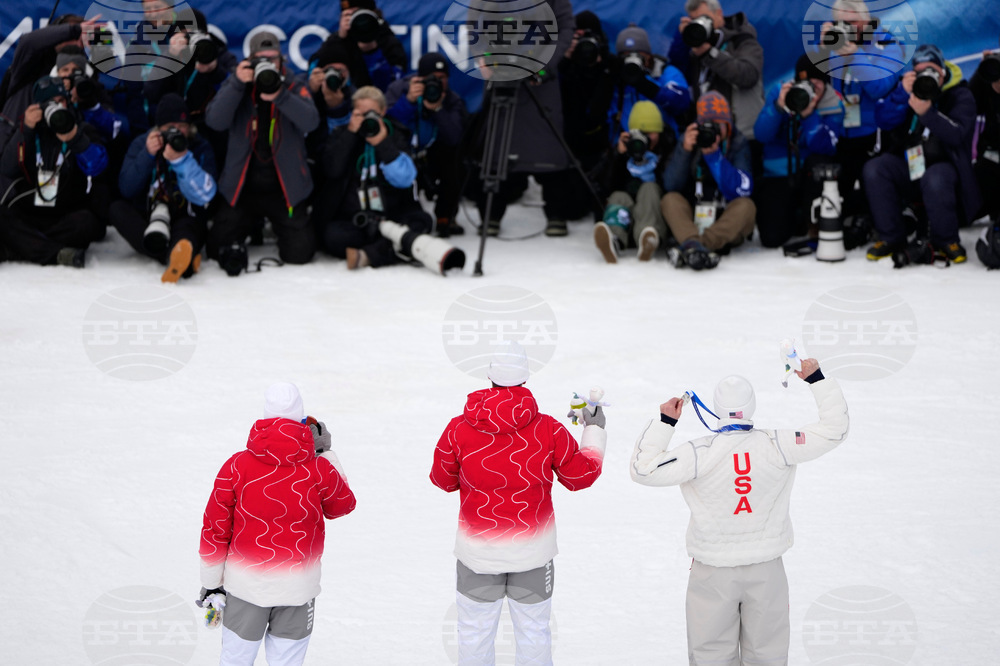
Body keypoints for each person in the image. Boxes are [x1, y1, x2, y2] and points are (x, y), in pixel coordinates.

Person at [630, 357, 849, 666]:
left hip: (713, 572)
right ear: (752, 407)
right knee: (768, 656)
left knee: (710, 656)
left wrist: (665, 422)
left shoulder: (699, 452)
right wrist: (817, 379)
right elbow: (834, 430)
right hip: (767, 570)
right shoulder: (779, 444)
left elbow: (643, 470)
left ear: (717, 409)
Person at [430, 341, 606, 665]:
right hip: (533, 555)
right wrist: (593, 429)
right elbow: (581, 477)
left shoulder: (458, 429)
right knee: (534, 633)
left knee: (473, 634)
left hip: (477, 554)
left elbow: (442, 480)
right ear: (526, 377)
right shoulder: (548, 429)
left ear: (490, 376)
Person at [199, 383, 356, 666]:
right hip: (298, 590)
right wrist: (326, 455)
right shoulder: (319, 468)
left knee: (235, 661)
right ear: (301, 420)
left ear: (265, 419)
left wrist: (211, 584)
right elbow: (342, 505)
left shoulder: (236, 466)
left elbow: (214, 529)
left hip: (246, 587)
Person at [205, 31, 320, 275]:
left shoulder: (292, 84)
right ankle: (251, 224)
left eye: (273, 59)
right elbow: (215, 121)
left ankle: (270, 225)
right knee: (216, 249)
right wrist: (237, 84)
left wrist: (281, 96)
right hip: (242, 187)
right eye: (261, 59)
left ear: (282, 61)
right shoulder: (238, 85)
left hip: (284, 189)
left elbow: (311, 122)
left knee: (300, 254)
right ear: (250, 61)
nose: (268, 64)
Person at [864, 44, 980, 266]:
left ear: (943, 72)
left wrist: (927, 113)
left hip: (946, 170)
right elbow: (883, 121)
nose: (926, 77)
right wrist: (900, 95)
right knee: (875, 169)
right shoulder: (907, 91)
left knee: (936, 176)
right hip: (910, 163)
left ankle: (946, 240)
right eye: (920, 72)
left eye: (932, 71)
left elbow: (957, 134)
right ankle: (891, 237)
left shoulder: (960, 94)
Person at [318, 85, 438, 270]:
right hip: (354, 218)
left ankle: (368, 255)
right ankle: (395, 247)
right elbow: (332, 170)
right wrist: (351, 133)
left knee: (422, 222)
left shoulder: (396, 133)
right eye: (361, 113)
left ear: (383, 111)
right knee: (332, 236)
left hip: (393, 214)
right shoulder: (342, 133)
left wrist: (383, 143)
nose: (368, 119)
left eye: (372, 113)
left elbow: (405, 178)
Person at [0, 76, 108, 268]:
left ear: (67, 102)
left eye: (60, 102)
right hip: (28, 213)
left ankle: (23, 247)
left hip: (64, 214)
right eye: (49, 104)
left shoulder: (81, 129)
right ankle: (56, 254)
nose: (56, 108)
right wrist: (25, 130)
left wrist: (74, 139)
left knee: (87, 223)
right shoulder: (27, 130)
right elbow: (7, 168)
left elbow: (98, 166)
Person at [111, 94, 217, 282]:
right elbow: (126, 188)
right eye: (170, 128)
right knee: (117, 209)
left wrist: (182, 161)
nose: (177, 132)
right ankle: (180, 257)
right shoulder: (143, 143)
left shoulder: (200, 146)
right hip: (150, 213)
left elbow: (206, 195)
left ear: (189, 127)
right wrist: (148, 155)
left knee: (189, 227)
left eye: (182, 127)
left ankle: (179, 254)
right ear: (159, 128)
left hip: (186, 213)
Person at [819, 0, 904, 222]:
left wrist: (854, 55)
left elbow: (879, 87)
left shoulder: (888, 43)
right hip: (844, 134)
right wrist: (824, 49)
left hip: (876, 139)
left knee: (872, 196)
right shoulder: (839, 44)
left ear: (866, 20)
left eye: (851, 22)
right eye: (841, 22)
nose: (846, 27)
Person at [752, 55, 844, 249]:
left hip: (811, 176)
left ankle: (812, 223)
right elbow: (761, 135)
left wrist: (809, 116)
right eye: (807, 82)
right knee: (772, 238)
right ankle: (793, 217)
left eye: (818, 82)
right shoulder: (781, 92)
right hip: (778, 175)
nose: (812, 88)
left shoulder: (833, 103)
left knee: (820, 161)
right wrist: (778, 108)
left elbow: (827, 147)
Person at [661, 91, 754, 270]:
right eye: (709, 125)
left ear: (729, 125)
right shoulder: (690, 140)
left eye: (720, 126)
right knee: (670, 199)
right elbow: (671, 185)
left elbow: (742, 189)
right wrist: (684, 150)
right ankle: (697, 246)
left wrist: (714, 157)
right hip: (692, 218)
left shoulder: (738, 142)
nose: (714, 132)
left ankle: (694, 246)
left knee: (746, 206)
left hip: (723, 222)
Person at [385, 52, 470, 238]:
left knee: (457, 159)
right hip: (405, 152)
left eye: (442, 78)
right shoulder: (400, 89)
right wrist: (408, 102)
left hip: (434, 155)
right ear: (418, 78)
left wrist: (438, 109)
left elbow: (455, 136)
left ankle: (445, 216)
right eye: (430, 78)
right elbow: (386, 125)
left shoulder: (451, 98)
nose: (437, 82)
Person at [668, 0, 764, 141]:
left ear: (719, 14)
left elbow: (748, 75)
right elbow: (678, 72)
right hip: (706, 132)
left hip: (741, 136)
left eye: (704, 19)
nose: (699, 24)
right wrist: (684, 39)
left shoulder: (742, 40)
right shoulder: (696, 47)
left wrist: (709, 54)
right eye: (694, 20)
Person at [594, 101, 674, 263]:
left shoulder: (668, 148)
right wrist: (617, 155)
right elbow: (603, 186)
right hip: (628, 215)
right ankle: (614, 240)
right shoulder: (625, 147)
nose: (646, 139)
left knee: (649, 188)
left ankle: (648, 238)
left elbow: (673, 185)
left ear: (659, 132)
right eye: (641, 133)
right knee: (618, 196)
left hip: (655, 216)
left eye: (651, 133)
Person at [608, 25, 690, 142]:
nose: (633, 62)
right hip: (629, 146)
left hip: (665, 147)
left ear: (649, 56)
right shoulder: (617, 84)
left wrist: (644, 83)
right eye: (626, 57)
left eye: (639, 57)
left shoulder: (665, 72)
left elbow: (681, 103)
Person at [309, 0, 406, 93]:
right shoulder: (336, 41)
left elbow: (393, 86)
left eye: (358, 13)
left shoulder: (388, 41)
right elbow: (315, 66)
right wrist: (340, 39)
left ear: (372, 13)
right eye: (349, 15)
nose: (357, 19)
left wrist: (371, 51)